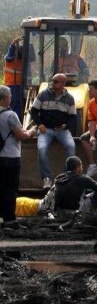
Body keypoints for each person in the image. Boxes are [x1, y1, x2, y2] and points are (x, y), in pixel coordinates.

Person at [0, 85, 37, 229]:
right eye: (9, 96)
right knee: (10, 189)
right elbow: (21, 135)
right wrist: (33, 131)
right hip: (10, 157)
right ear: (4, 99)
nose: (11, 98)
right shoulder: (10, 115)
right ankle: (10, 220)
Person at [31, 73, 77, 189]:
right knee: (41, 149)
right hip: (46, 130)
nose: (53, 83)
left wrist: (65, 126)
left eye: (56, 81)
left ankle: (66, 177)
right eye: (52, 81)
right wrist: (39, 124)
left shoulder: (69, 99)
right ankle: (46, 178)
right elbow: (34, 111)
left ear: (63, 83)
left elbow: (73, 117)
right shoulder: (43, 94)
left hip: (62, 131)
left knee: (71, 147)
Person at [4, 37, 24, 117]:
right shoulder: (9, 58)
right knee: (14, 103)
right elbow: (10, 53)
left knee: (20, 103)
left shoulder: (22, 60)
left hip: (20, 84)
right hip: (11, 84)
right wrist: (13, 43)